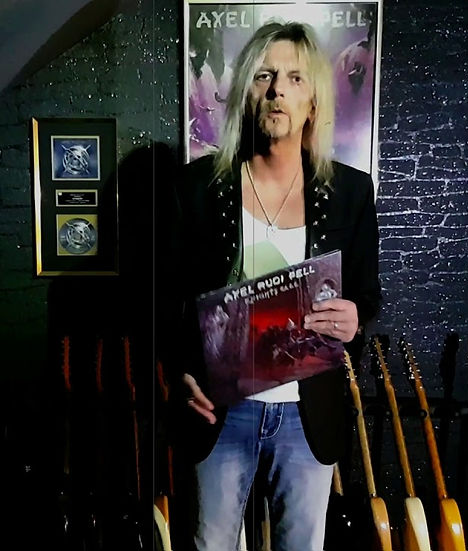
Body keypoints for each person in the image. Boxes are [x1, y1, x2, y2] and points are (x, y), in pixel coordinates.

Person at [160, 20, 382, 551]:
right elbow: (163, 301)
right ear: (246, 93)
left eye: (295, 78)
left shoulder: (351, 192)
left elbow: (367, 294)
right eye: (264, 75)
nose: (278, 88)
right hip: (220, 410)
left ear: (313, 101)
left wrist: (355, 318)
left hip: (308, 414)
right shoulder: (196, 188)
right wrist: (178, 374)